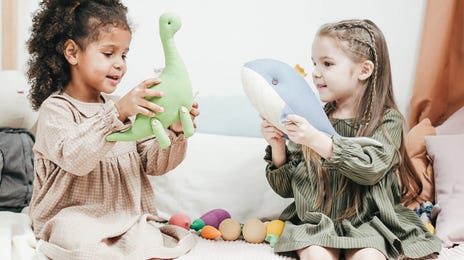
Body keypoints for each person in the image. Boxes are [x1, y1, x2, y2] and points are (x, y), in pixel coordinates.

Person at [26, 1, 199, 259]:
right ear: (72, 53)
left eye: (124, 55)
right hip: (73, 215)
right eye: (109, 54)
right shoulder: (57, 110)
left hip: (125, 217)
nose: (120, 64)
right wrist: (116, 114)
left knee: (149, 240)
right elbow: (75, 158)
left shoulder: (121, 107)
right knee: (74, 237)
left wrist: (174, 133)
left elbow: (153, 164)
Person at [261, 19, 442, 260]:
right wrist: (277, 146)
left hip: (370, 224)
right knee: (316, 255)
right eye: (314, 63)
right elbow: (287, 189)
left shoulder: (387, 120)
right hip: (318, 224)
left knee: (368, 256)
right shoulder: (309, 119)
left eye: (327, 63)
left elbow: (370, 169)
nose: (315, 72)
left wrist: (318, 140)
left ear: (364, 71)